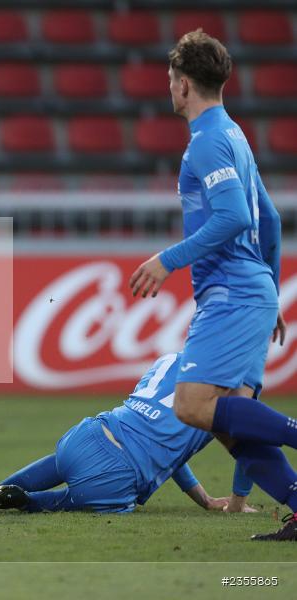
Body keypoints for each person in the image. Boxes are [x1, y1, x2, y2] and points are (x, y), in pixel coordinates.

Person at [127, 30, 297, 540]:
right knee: (228, 423)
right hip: (251, 291)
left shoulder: (206, 143)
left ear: (182, 85)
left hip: (231, 294)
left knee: (191, 406)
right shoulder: (235, 134)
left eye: (170, 82)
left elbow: (233, 216)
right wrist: (270, 292)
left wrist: (167, 259)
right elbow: (267, 217)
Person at [0, 353, 256, 514]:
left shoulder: (168, 360)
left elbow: (162, 438)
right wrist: (236, 503)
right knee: (71, 501)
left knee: (61, 461)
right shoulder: (234, 394)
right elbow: (248, 451)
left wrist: (203, 499)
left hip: (87, 435)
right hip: (115, 474)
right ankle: (24, 500)